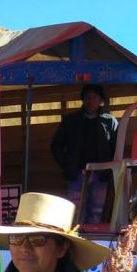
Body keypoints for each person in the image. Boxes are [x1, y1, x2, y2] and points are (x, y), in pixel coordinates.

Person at [51, 84, 118, 226]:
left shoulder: (109, 121)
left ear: (101, 100)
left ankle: (92, 242)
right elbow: (56, 145)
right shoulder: (71, 120)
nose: (91, 100)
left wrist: (109, 168)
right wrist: (68, 165)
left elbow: (116, 148)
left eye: (95, 97)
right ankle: (75, 240)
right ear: (83, 99)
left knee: (96, 212)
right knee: (74, 212)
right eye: (88, 97)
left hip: (101, 174)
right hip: (77, 174)